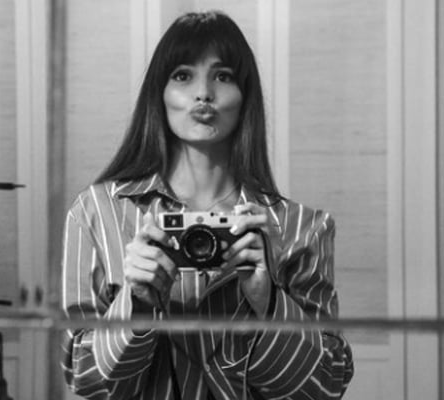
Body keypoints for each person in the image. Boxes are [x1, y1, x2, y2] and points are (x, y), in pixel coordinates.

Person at [61, 10, 353, 400]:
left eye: (223, 76)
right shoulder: (97, 213)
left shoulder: (302, 227)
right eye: (183, 75)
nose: (203, 93)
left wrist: (269, 302)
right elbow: (83, 377)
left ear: (245, 97)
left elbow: (326, 385)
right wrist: (136, 305)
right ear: (159, 94)